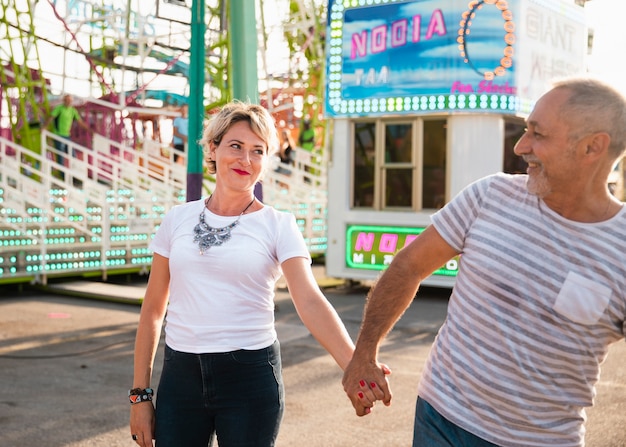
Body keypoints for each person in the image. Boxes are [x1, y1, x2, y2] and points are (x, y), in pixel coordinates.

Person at [342, 77, 626, 447]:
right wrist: (363, 353)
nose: (522, 146)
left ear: (593, 147)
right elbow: (408, 266)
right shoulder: (490, 195)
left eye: (538, 134)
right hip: (439, 419)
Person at [129, 101, 378, 447]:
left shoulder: (278, 225)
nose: (246, 160)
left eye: (257, 151)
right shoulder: (177, 219)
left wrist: (355, 366)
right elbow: (153, 310)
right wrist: (140, 396)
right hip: (180, 378)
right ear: (213, 149)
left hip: (250, 378)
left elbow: (309, 299)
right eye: (236, 146)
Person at [45, 94, 90, 165]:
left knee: (73, 155)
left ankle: (74, 173)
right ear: (64, 101)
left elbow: (80, 122)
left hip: (67, 136)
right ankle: (62, 175)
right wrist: (45, 127)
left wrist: (89, 130)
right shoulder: (59, 108)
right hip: (58, 135)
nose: (68, 102)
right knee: (60, 156)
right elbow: (51, 117)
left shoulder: (72, 110)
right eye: (67, 100)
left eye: (70, 101)